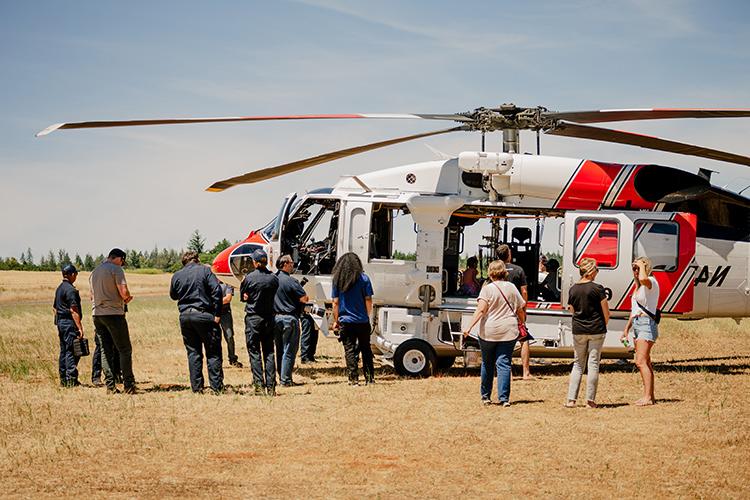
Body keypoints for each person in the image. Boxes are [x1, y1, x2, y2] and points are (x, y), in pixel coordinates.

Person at [462, 260, 525, 406]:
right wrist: (522, 321)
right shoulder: (512, 287)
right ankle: (504, 399)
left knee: (487, 363)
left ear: (490, 273)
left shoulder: (487, 289)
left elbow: (481, 310)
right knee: (504, 364)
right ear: (504, 272)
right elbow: (520, 308)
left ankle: (486, 396)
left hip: (489, 331)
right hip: (508, 330)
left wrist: (469, 327)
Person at [170, 251, 225, 394]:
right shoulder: (205, 271)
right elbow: (217, 291)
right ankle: (216, 387)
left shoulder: (177, 275)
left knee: (193, 353)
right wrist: (218, 314)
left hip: (185, 317)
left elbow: (173, 295)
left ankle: (197, 388)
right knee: (213, 352)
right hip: (204, 315)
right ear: (197, 259)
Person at [90, 248, 136, 394]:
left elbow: (91, 296)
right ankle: (128, 385)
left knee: (105, 350)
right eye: (122, 261)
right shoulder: (116, 269)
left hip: (97, 315)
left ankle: (110, 386)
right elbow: (123, 292)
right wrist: (127, 298)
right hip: (114, 314)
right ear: (119, 258)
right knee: (124, 349)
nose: (122, 264)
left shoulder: (94, 272)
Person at [565, 258, 610, 408]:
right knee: (593, 364)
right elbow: (606, 312)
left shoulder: (573, 289)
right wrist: (603, 324)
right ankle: (590, 401)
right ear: (591, 272)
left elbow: (571, 309)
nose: (597, 273)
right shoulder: (598, 288)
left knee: (578, 364)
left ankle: (571, 400)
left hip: (578, 329)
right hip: (596, 329)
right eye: (596, 270)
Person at [621, 257, 660, 406]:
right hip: (638, 324)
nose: (636, 271)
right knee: (646, 362)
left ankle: (648, 398)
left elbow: (644, 278)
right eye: (634, 268)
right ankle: (649, 395)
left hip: (646, 324)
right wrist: (626, 329)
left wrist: (641, 266)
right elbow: (634, 311)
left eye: (637, 268)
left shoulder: (650, 282)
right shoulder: (638, 288)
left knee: (640, 362)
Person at [331, 252, 374, 386]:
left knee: (349, 350)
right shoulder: (364, 279)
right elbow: (368, 300)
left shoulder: (338, 280)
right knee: (366, 349)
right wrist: (366, 315)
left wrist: (335, 320)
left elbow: (335, 303)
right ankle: (369, 378)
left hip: (346, 321)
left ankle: (353, 379)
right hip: (362, 321)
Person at [240, 249, 279, 395]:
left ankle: (259, 385)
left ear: (255, 263)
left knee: (254, 351)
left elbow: (244, 297)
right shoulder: (273, 278)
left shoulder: (248, 278)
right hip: (269, 317)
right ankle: (271, 386)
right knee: (269, 351)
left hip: (253, 318)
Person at [497, 244, 533, 379]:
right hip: (515, 309)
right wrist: (524, 308)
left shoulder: (496, 270)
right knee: (524, 339)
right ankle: (526, 372)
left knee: (503, 342)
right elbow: (524, 291)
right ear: (509, 255)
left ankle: (507, 373)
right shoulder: (518, 270)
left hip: (500, 309)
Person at [273, 254, 309, 386]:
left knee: (279, 349)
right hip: (289, 319)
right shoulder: (291, 281)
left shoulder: (273, 279)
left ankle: (280, 376)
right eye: (292, 263)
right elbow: (304, 298)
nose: (293, 265)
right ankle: (286, 380)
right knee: (289, 350)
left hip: (275, 318)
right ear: (285, 264)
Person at [53, 264, 84, 387]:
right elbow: (73, 310)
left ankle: (63, 378)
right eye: (75, 274)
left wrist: (58, 322)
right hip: (69, 322)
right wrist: (80, 327)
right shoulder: (70, 290)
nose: (76, 276)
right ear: (71, 274)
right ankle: (71, 379)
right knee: (71, 351)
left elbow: (54, 308)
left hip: (61, 322)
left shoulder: (60, 288)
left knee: (64, 350)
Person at [218, 278, 243, 368]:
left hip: (225, 313)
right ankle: (216, 360)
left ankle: (232, 359)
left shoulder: (228, 282)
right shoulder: (209, 282)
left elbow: (228, 298)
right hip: (213, 312)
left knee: (229, 336)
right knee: (214, 337)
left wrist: (214, 303)